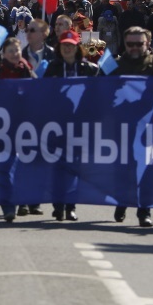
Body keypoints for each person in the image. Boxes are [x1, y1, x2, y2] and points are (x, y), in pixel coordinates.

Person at [104, 26, 153, 227]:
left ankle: (144, 211)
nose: (134, 47)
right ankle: (122, 201)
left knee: (146, 167)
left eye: (139, 44)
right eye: (130, 44)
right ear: (124, 44)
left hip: (148, 123)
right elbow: (99, 88)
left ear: (147, 43)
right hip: (122, 123)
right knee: (123, 167)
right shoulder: (115, 64)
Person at [43, 31, 98, 221]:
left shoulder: (89, 68)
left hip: (79, 125)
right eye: (64, 45)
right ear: (59, 47)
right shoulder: (53, 67)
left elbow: (99, 92)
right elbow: (43, 92)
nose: (67, 48)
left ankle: (71, 206)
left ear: (77, 47)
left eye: (71, 45)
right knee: (58, 167)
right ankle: (58, 206)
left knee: (75, 167)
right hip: (57, 124)